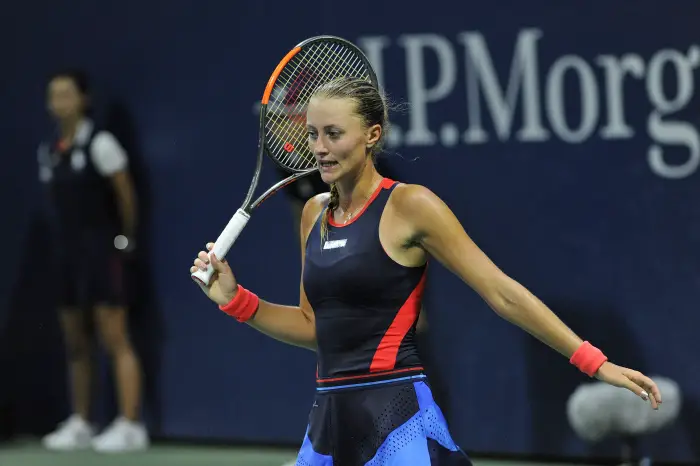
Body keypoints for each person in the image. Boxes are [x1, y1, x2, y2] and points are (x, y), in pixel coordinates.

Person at [190, 77, 662, 465]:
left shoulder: (411, 206)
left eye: (334, 133)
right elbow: (316, 328)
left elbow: (502, 293)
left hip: (397, 419)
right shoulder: (313, 213)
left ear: (373, 134)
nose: (319, 147)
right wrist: (237, 300)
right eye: (313, 134)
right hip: (328, 424)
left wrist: (593, 361)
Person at [37, 69, 149, 452]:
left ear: (83, 99)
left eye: (66, 93)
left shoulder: (102, 144)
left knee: (114, 336)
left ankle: (130, 424)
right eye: (54, 95)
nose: (59, 102)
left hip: (103, 251)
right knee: (75, 341)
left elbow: (126, 196)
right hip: (67, 257)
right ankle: (81, 421)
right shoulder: (49, 150)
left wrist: (125, 240)